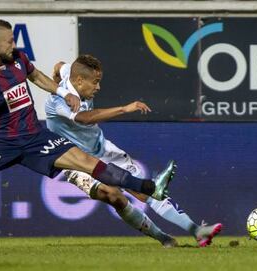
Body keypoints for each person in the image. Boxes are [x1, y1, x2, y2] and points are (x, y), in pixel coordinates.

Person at [0, 19, 176, 249]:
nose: (14, 43)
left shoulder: (18, 59)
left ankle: (150, 188)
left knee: (89, 163)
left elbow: (36, 77)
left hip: (36, 137)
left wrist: (64, 92)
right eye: (9, 40)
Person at [46, 55, 222, 247]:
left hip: (101, 148)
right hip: (74, 159)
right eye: (95, 83)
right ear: (79, 80)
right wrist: (124, 108)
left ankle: (196, 230)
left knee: (145, 190)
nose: (99, 88)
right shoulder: (58, 101)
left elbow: (58, 66)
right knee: (113, 196)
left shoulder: (70, 71)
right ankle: (163, 238)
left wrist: (55, 77)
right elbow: (85, 118)